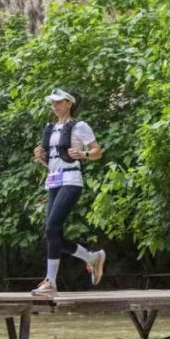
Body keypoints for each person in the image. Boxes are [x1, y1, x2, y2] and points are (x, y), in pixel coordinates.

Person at [29, 89, 106, 297]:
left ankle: (50, 282)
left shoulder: (79, 126)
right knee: (52, 234)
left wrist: (83, 154)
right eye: (52, 103)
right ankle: (92, 258)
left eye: (58, 102)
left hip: (71, 180)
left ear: (69, 104)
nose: (54, 106)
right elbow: (53, 163)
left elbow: (97, 152)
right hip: (54, 180)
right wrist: (41, 158)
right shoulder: (51, 129)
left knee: (52, 228)